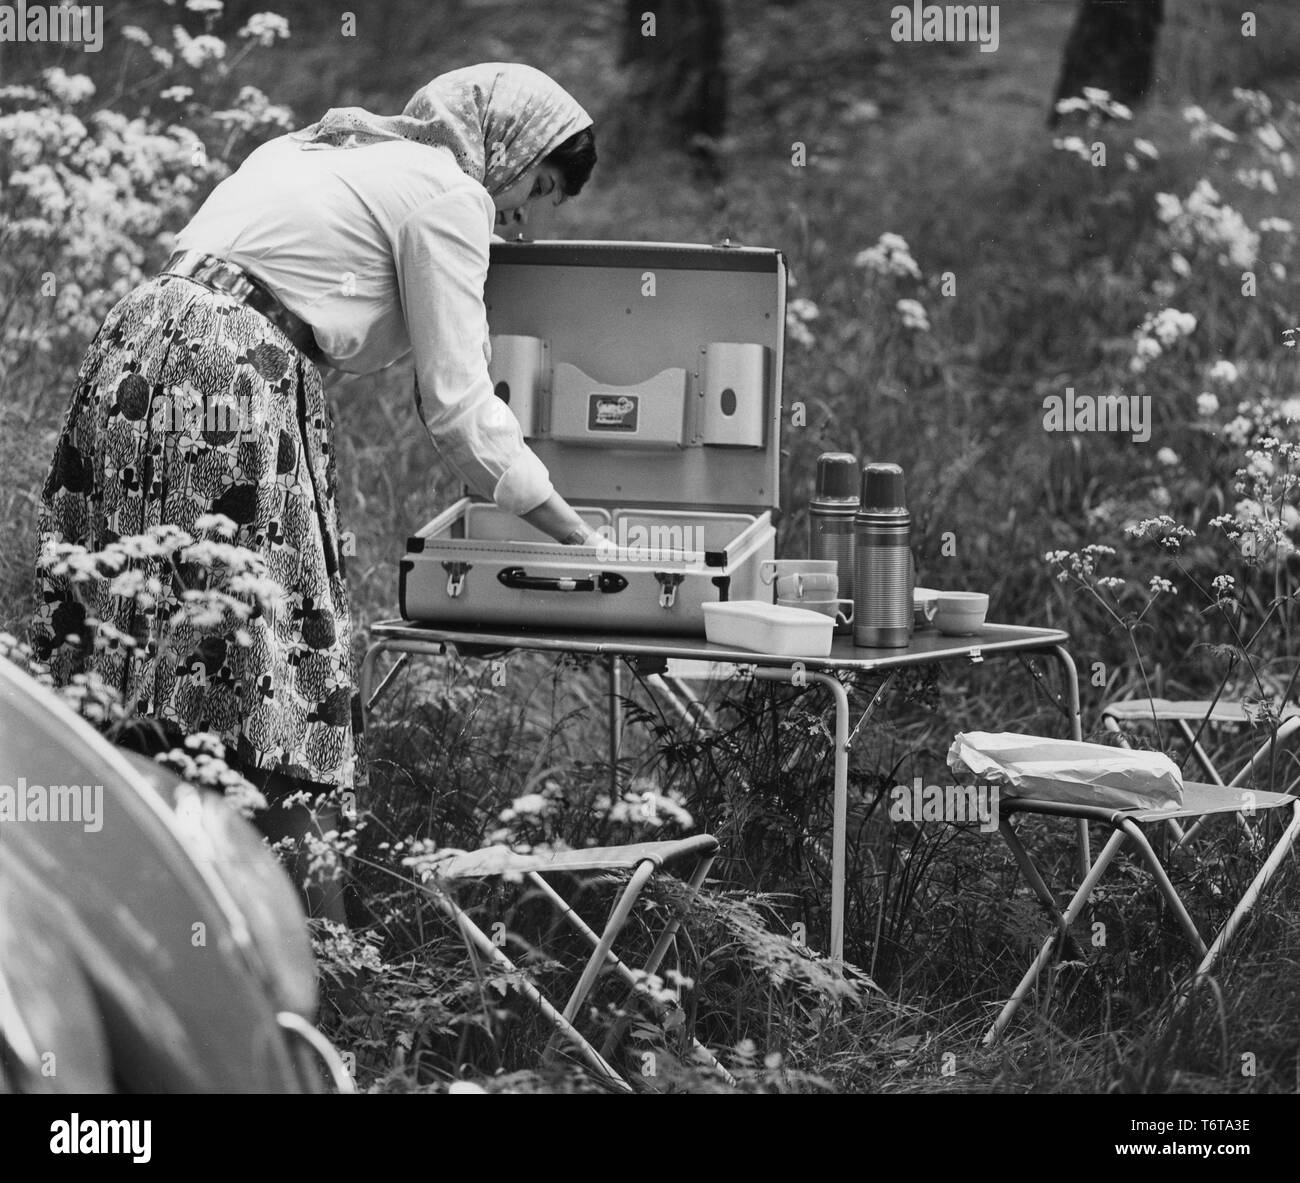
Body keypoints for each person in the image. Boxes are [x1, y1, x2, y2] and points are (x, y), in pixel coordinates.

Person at [31, 63, 599, 923]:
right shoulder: (449, 194)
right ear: (508, 148)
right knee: (266, 667)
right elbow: (460, 407)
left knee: (122, 635)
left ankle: (95, 905)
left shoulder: (322, 143)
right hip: (233, 366)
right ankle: (297, 943)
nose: (528, 214)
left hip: (136, 344)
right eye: (541, 184)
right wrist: (574, 534)